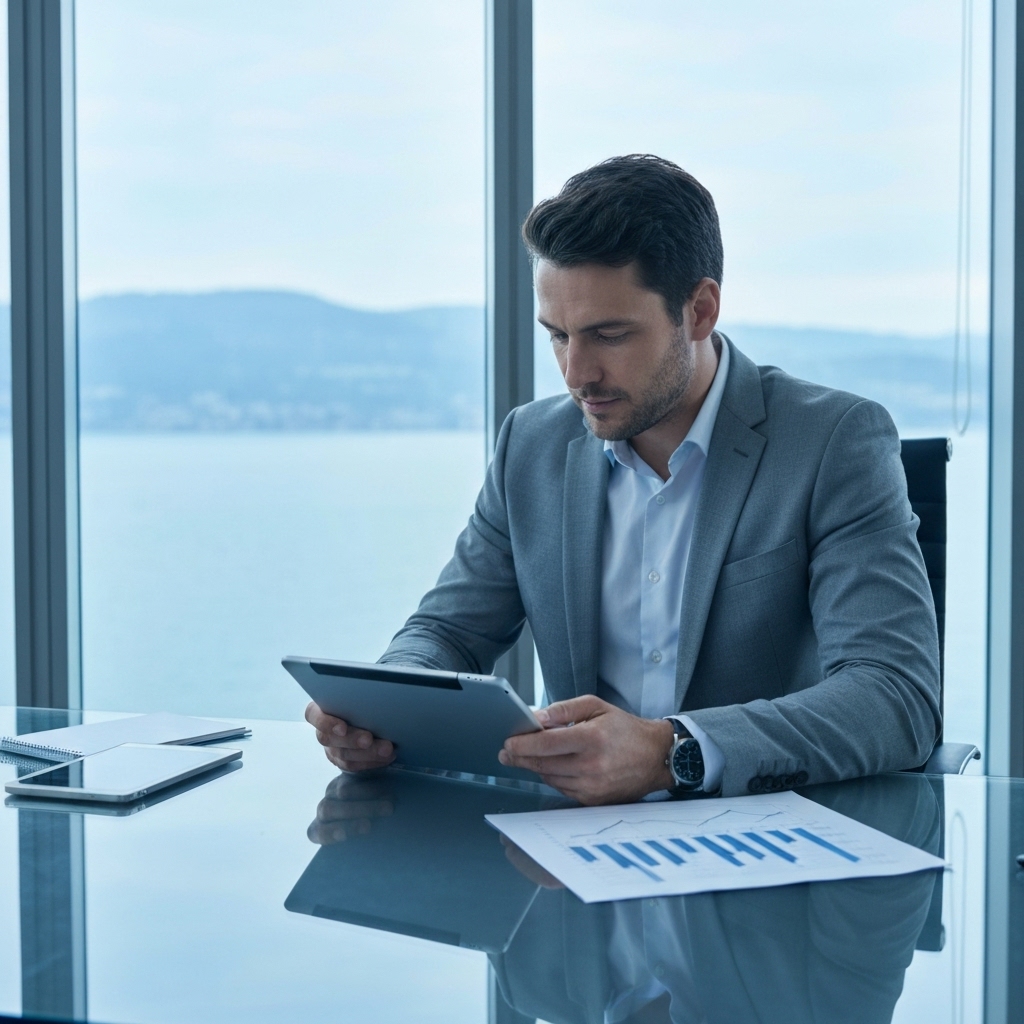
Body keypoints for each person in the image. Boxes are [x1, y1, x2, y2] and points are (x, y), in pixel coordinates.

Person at [306, 154, 941, 804]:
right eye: (557, 336)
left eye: (609, 334)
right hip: (579, 855)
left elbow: (895, 697)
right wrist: (387, 705)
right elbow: (447, 632)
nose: (577, 373)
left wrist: (675, 751)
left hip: (773, 849)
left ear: (699, 310)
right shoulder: (532, 445)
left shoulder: (833, 441)